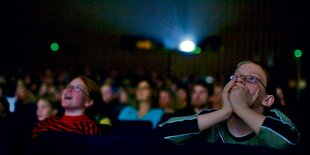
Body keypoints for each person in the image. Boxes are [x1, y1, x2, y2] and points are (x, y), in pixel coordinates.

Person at [158, 60, 300, 150]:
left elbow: (288, 142)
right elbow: (162, 134)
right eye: (236, 77)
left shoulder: (274, 119)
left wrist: (241, 108)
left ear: (267, 100)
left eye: (251, 78)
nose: (239, 81)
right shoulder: (213, 119)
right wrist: (224, 112)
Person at [32, 76, 101, 140]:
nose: (69, 90)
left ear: (88, 102)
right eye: (68, 86)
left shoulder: (87, 127)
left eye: (77, 88)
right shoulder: (46, 122)